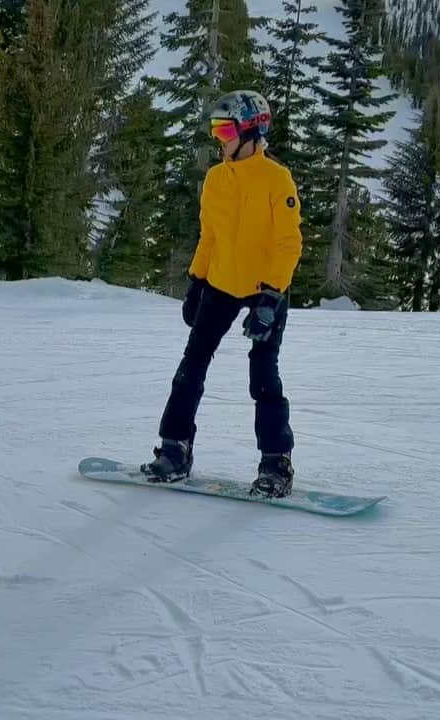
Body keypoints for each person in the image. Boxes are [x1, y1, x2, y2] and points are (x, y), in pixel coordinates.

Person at [142, 90, 303, 498]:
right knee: (192, 364)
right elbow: (210, 236)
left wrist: (271, 297)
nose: (219, 138)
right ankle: (175, 449)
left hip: (266, 287)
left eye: (226, 129)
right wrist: (197, 280)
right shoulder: (216, 179)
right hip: (221, 283)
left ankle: (275, 463)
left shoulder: (276, 179)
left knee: (263, 374)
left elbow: (289, 244)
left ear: (251, 131)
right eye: (215, 129)